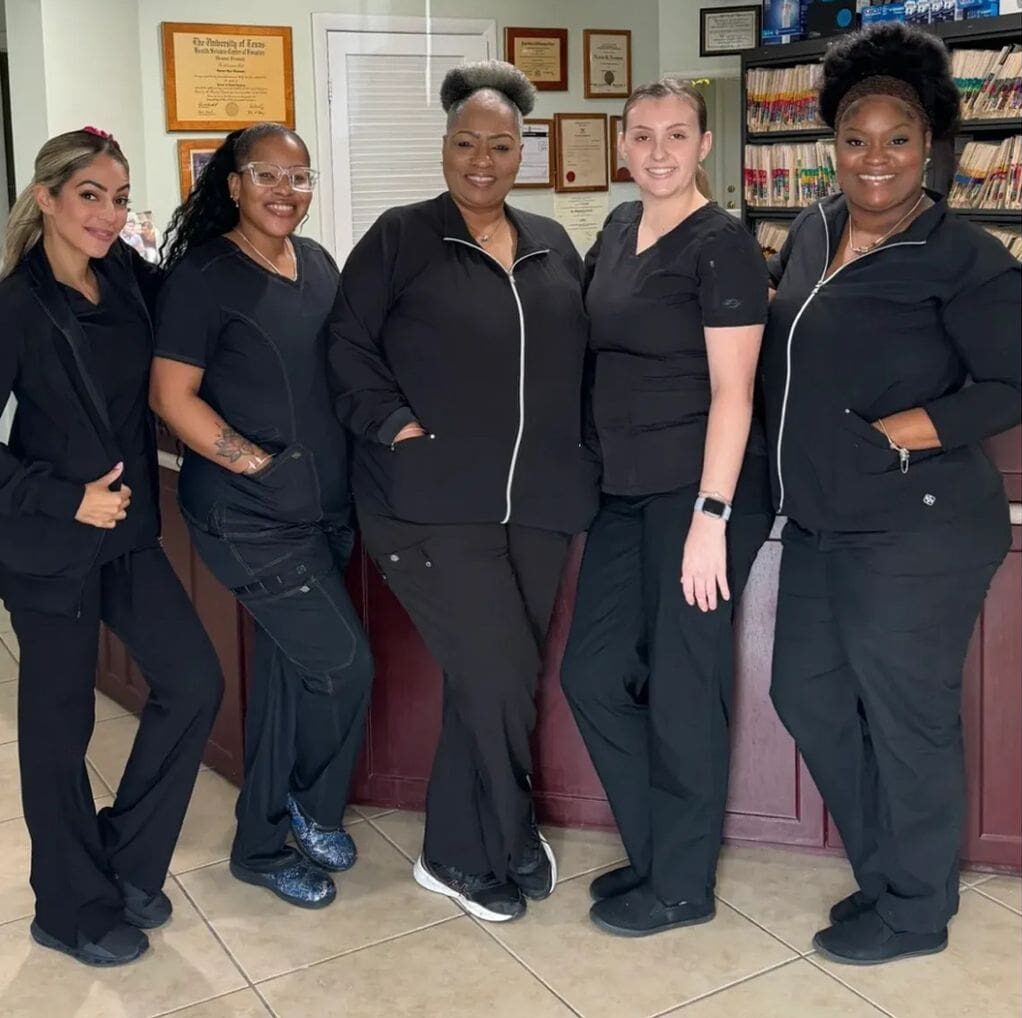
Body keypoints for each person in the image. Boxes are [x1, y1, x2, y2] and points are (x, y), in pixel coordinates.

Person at [762, 23, 1021, 965]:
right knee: (806, 694)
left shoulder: (966, 257)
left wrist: (900, 432)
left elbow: (1009, 384)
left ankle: (917, 912)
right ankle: (886, 873)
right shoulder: (812, 229)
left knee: (907, 721)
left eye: (898, 139)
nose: (875, 158)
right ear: (832, 142)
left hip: (919, 529)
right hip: (825, 523)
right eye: (856, 138)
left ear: (931, 147)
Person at [329, 61, 599, 922]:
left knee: (496, 679)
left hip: (541, 506)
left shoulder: (555, 242)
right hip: (427, 503)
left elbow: (588, 358)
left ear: (527, 151)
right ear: (443, 147)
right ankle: (512, 833)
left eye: (501, 145)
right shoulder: (401, 237)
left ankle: (451, 852)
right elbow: (345, 347)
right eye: (465, 143)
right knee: (497, 669)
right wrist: (395, 425)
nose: (482, 159)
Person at [0, 128, 224, 966]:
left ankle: (124, 863)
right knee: (58, 731)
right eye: (90, 194)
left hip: (127, 538)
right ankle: (66, 906)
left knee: (194, 682)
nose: (108, 213)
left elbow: (195, 317)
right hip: (47, 549)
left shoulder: (128, 278)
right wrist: (63, 499)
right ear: (46, 198)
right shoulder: (16, 305)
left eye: (121, 197)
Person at [560, 77, 774, 937]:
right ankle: (657, 854)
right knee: (591, 675)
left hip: (702, 494)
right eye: (642, 135)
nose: (658, 151)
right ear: (621, 145)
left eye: (676, 134)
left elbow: (735, 393)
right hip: (622, 490)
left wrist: (710, 517)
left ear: (704, 145)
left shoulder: (722, 245)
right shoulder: (616, 228)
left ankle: (683, 887)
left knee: (686, 689)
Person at [150, 124, 373, 909]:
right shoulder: (203, 277)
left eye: (300, 176)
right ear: (233, 184)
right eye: (266, 175)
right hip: (248, 518)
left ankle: (260, 842)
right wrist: (259, 466)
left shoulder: (315, 264)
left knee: (290, 678)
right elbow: (171, 396)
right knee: (345, 666)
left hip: (324, 512)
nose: (286, 191)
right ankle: (309, 809)